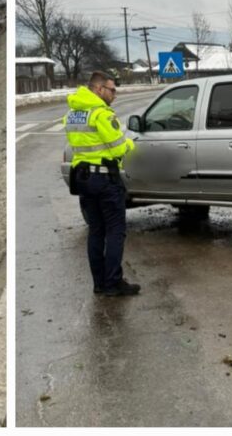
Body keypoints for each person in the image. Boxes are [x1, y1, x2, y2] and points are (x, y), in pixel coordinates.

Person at [64, 71, 139, 297]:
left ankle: (99, 283)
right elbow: (117, 147)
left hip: (84, 179)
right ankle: (113, 283)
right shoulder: (102, 115)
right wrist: (129, 145)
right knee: (115, 231)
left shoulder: (73, 114)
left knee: (96, 231)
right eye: (112, 89)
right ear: (98, 90)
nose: (115, 94)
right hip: (105, 178)